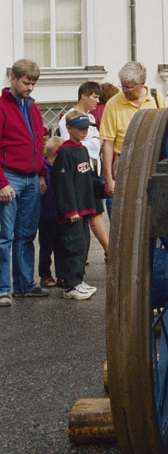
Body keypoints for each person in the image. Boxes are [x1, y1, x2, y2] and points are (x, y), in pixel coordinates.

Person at [0, 59, 49, 305]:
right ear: (13, 79)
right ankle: (2, 289)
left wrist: (41, 173)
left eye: (33, 84)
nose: (30, 88)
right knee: (5, 236)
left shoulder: (32, 107)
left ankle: (24, 285)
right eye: (26, 83)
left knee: (26, 234)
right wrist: (1, 183)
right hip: (10, 176)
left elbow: (38, 142)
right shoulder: (1, 107)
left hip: (31, 177)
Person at [99, 62, 165, 202]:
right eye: (122, 86)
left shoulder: (156, 97)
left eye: (129, 87)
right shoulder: (113, 104)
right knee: (125, 204)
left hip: (153, 160)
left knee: (153, 203)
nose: (124, 90)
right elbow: (108, 144)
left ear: (142, 83)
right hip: (125, 162)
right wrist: (108, 178)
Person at [58, 81, 108, 259]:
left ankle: (84, 254)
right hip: (79, 173)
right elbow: (70, 146)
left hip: (92, 171)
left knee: (94, 212)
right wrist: (95, 143)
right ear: (83, 96)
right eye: (94, 97)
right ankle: (107, 249)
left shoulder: (91, 118)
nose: (97, 101)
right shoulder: (69, 118)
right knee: (93, 213)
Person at [54, 111, 100, 300]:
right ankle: (71, 284)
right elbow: (63, 184)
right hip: (73, 212)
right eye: (80, 128)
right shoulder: (65, 152)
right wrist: (70, 210)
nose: (84, 131)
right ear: (69, 129)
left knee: (83, 245)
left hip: (83, 208)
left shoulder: (83, 150)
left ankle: (78, 280)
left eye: (86, 128)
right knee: (73, 246)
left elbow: (87, 180)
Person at [38, 136, 65, 288]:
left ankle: (61, 274)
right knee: (46, 248)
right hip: (46, 216)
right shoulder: (44, 170)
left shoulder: (61, 168)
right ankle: (45, 274)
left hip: (60, 215)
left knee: (61, 247)